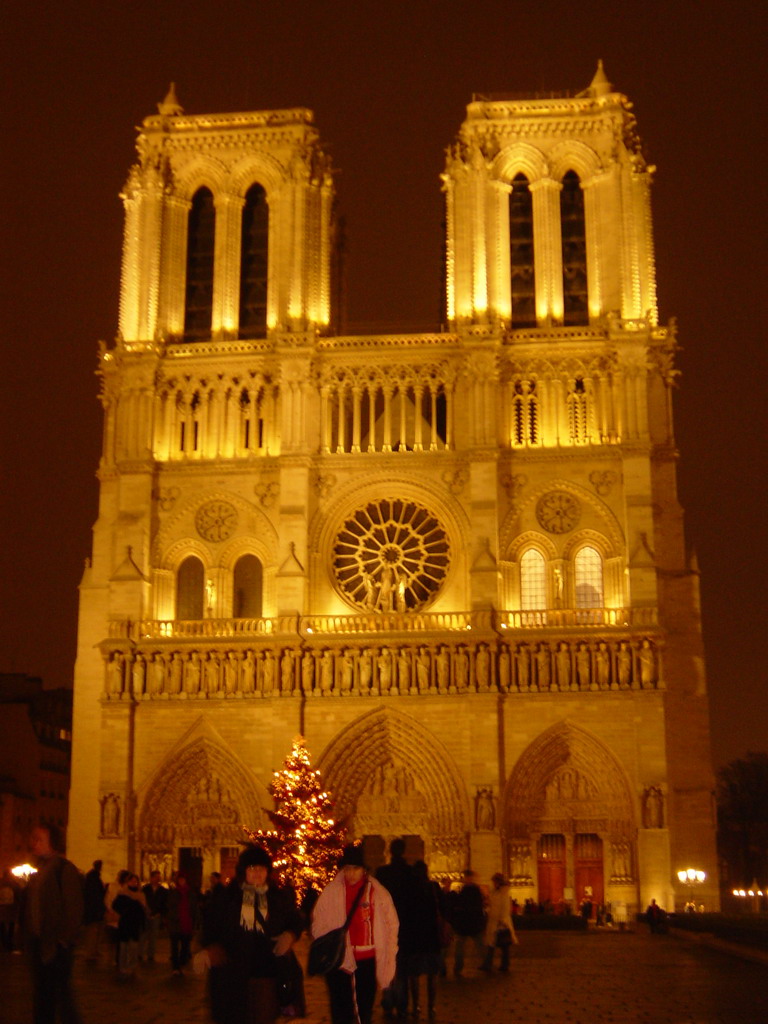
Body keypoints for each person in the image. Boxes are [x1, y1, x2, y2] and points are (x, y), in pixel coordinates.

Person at [199, 844, 303, 1024]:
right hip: (233, 972)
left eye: (261, 869)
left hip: (267, 972)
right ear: (244, 871)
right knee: (235, 1016)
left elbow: (296, 919)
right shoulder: (228, 897)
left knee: (264, 1015)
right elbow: (210, 925)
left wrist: (290, 935)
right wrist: (210, 948)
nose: (257, 873)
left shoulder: (277, 898)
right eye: (252, 868)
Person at [312, 843, 399, 1024]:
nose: (351, 873)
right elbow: (318, 921)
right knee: (340, 1009)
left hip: (366, 958)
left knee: (363, 1008)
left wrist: (389, 950)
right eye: (347, 869)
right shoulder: (331, 892)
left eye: (355, 869)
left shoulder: (377, 893)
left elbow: (391, 923)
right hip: (339, 959)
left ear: (363, 870)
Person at [21, 824, 84, 1024]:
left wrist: (63, 941)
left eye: (39, 839)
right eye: (33, 838)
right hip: (40, 943)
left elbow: (74, 908)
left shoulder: (64, 870)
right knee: (47, 996)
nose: (34, 843)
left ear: (53, 843)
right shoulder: (39, 870)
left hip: (55, 946)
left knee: (57, 996)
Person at [375, 838, 412, 1017]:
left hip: (385, 927)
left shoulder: (382, 874)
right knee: (402, 967)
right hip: (405, 928)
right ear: (404, 851)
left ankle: (388, 999)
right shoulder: (410, 873)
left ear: (389, 851)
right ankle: (403, 1001)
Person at [400, 861, 441, 1018]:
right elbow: (444, 909)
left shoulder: (408, 890)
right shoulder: (434, 887)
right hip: (431, 936)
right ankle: (432, 1006)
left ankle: (416, 1005)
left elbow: (402, 913)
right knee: (432, 974)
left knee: (414, 974)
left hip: (413, 937)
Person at [480, 873, 517, 973]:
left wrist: (502, 920)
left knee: (503, 945)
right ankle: (488, 964)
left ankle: (503, 965)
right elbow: (492, 905)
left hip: (501, 922)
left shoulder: (504, 893)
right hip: (493, 921)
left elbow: (505, 908)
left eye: (494, 882)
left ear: (498, 882)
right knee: (491, 944)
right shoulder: (494, 892)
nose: (493, 884)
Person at [451, 869, 485, 976]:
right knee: (478, 945)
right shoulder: (475, 890)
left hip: (465, 923)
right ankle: (486, 963)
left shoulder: (466, 890)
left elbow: (460, 904)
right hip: (472, 923)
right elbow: (479, 906)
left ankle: (458, 967)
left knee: (461, 946)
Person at [112, 872, 147, 976]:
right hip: (125, 922)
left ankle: (132, 966)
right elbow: (115, 906)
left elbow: (143, 910)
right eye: (132, 881)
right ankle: (122, 966)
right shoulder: (122, 893)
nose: (134, 883)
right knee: (123, 945)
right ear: (127, 882)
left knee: (134, 946)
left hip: (135, 923)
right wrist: (125, 910)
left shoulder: (141, 895)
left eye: (136, 881)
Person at [166, 872, 199, 975]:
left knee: (185, 946)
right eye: (179, 880)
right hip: (175, 922)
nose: (181, 881)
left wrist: (195, 921)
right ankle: (175, 967)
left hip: (187, 922)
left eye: (183, 880)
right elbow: (169, 906)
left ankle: (182, 964)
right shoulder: (173, 892)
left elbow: (194, 908)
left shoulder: (191, 893)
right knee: (174, 946)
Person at [141, 869, 168, 962]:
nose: (158, 879)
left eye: (159, 877)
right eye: (156, 877)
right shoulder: (145, 889)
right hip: (146, 914)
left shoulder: (163, 891)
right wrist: (146, 910)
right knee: (143, 934)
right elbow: (142, 901)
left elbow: (164, 904)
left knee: (153, 936)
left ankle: (150, 954)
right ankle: (140, 953)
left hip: (157, 915)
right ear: (151, 878)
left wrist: (159, 913)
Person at [82, 859, 106, 963]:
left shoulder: (93, 876)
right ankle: (89, 953)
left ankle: (94, 951)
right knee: (92, 932)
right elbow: (95, 894)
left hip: (96, 909)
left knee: (97, 932)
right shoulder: (93, 877)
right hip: (93, 909)